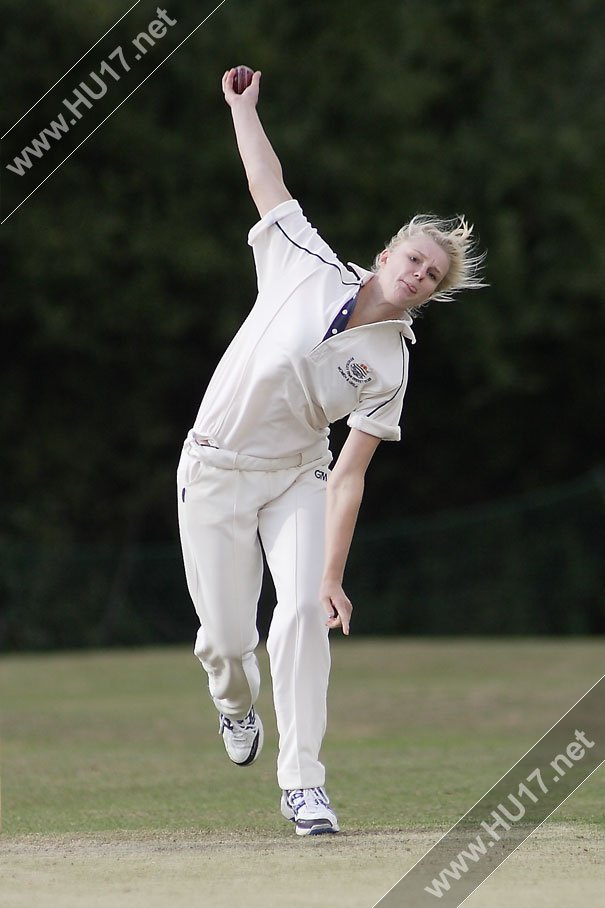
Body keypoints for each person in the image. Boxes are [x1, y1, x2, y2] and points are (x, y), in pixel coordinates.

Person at [177, 67, 486, 836]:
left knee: (302, 617)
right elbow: (266, 181)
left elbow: (348, 474)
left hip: (297, 479)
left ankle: (304, 786)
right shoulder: (303, 261)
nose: (416, 272)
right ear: (385, 255)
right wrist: (241, 109)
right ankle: (233, 704)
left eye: (431, 274)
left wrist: (330, 576)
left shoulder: (391, 364)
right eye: (411, 257)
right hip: (212, 468)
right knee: (225, 642)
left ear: (431, 291)